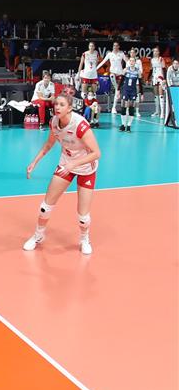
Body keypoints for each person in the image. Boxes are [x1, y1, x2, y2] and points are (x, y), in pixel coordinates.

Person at [23, 92, 102, 255]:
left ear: (70, 108)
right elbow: (48, 144)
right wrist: (34, 162)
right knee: (45, 207)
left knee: (83, 216)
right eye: (56, 104)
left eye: (61, 105)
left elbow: (96, 153)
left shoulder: (80, 125)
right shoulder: (54, 122)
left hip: (86, 168)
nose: (57, 108)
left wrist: (74, 163)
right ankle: (38, 235)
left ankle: (84, 239)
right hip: (66, 164)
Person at [77, 41, 106, 125]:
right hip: (86, 74)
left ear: (94, 47)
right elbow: (81, 64)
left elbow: (96, 63)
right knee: (84, 93)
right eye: (90, 46)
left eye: (92, 46)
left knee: (93, 93)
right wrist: (79, 74)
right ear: (88, 47)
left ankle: (94, 116)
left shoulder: (96, 54)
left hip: (93, 75)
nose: (91, 47)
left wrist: (94, 70)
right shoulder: (84, 54)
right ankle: (83, 112)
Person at [118, 49, 142, 132]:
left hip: (133, 91)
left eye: (133, 61)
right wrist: (118, 90)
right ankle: (123, 124)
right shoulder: (125, 70)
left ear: (135, 62)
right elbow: (121, 81)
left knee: (131, 108)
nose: (131, 62)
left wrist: (141, 93)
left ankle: (129, 125)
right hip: (125, 90)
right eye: (130, 61)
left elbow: (140, 83)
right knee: (123, 107)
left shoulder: (138, 72)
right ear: (129, 62)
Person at [105, 41, 126, 113]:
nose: (115, 47)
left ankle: (114, 107)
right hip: (112, 73)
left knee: (117, 90)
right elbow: (103, 62)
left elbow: (127, 61)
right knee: (117, 88)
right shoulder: (110, 54)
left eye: (116, 45)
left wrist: (126, 69)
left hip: (120, 73)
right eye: (114, 45)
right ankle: (117, 89)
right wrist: (95, 69)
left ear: (118, 46)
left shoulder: (121, 54)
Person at [151, 49, 169, 121]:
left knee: (161, 94)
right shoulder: (152, 60)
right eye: (154, 51)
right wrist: (148, 78)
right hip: (154, 77)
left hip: (160, 77)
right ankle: (157, 111)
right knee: (156, 95)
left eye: (156, 51)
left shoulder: (161, 59)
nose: (155, 52)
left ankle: (162, 112)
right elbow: (151, 70)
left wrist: (164, 79)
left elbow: (164, 69)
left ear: (158, 52)